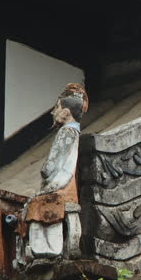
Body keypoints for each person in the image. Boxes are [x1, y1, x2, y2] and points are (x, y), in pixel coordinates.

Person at [22, 84, 87, 261]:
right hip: (63, 182)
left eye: (57, 107)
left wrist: (45, 170)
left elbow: (52, 165)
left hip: (61, 185)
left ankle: (46, 249)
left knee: (39, 203)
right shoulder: (72, 132)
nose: (53, 112)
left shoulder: (66, 132)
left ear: (66, 112)